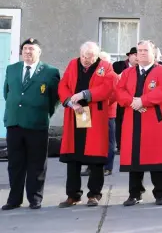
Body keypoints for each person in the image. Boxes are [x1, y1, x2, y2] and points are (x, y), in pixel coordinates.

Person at [2, 38, 60, 210]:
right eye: (25, 49)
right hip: (14, 123)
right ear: (21, 52)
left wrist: (42, 112)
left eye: (32, 49)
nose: (28, 52)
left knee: (37, 163)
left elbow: (54, 98)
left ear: (39, 52)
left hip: (37, 123)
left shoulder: (50, 72)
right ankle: (14, 199)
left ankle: (35, 198)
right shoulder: (12, 69)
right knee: (15, 163)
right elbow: (7, 93)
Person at [57, 42, 116, 207]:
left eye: (89, 57)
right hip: (76, 113)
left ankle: (94, 194)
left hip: (94, 115)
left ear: (96, 56)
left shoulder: (106, 67)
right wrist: (70, 102)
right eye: (83, 56)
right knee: (73, 156)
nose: (85, 60)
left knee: (96, 157)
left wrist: (85, 94)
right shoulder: (73, 64)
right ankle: (73, 195)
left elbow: (108, 87)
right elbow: (63, 85)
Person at [116, 40, 162, 206]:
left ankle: (160, 193)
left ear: (153, 53)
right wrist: (132, 102)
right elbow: (119, 91)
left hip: (154, 121)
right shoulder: (128, 73)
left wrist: (143, 101)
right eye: (139, 51)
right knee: (134, 159)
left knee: (156, 158)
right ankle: (134, 193)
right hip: (132, 120)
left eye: (145, 50)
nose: (141, 53)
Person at [112, 47, 137, 153]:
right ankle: (120, 145)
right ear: (129, 56)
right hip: (120, 99)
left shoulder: (140, 68)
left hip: (134, 99)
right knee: (119, 122)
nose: (137, 57)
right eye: (135, 54)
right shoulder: (118, 65)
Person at [98, 51, 119, 176]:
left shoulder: (113, 76)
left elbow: (115, 94)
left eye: (103, 60)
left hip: (108, 113)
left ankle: (108, 167)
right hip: (95, 113)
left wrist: (101, 105)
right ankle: (92, 166)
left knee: (109, 142)